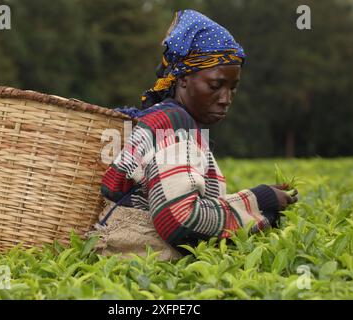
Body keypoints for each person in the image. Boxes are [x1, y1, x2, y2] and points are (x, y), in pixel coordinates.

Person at [91, 9, 298, 260]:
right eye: (215, 85)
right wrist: (259, 201)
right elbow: (180, 221)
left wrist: (263, 199)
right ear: (184, 79)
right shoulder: (174, 124)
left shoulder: (161, 119)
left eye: (233, 88)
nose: (226, 99)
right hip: (140, 268)